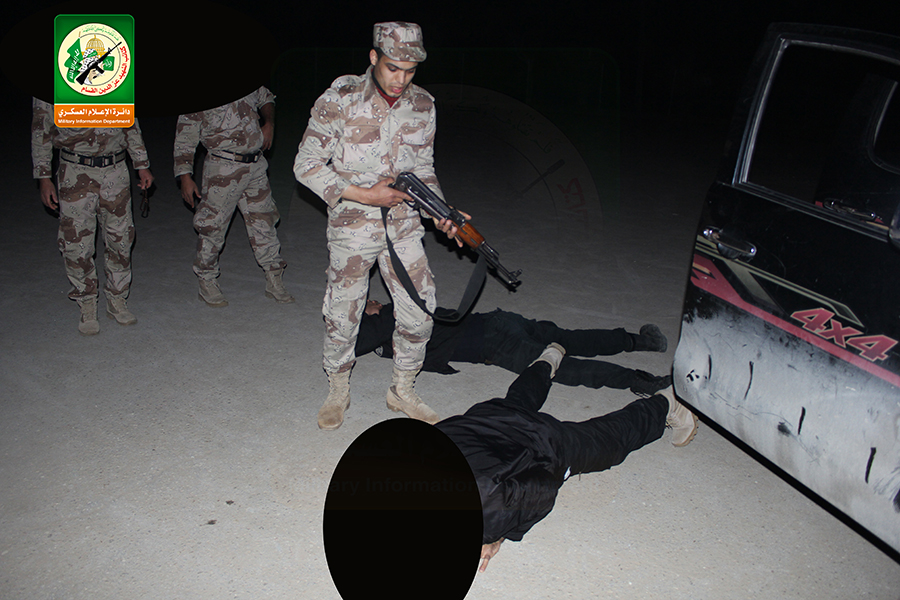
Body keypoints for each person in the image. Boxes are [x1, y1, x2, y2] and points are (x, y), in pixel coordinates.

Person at [294, 21, 463, 430]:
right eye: (392, 68)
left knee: (421, 311)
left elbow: (424, 169)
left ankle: (402, 389)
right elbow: (306, 166)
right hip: (353, 223)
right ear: (373, 58)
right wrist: (366, 195)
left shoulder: (422, 105)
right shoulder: (340, 99)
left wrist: (440, 212)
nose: (400, 80)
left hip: (403, 224)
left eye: (410, 71)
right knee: (343, 313)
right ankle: (338, 389)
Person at [434, 343, 699, 573]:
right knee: (517, 402)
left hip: (543, 439)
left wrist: (499, 535)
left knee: (609, 441)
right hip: (484, 418)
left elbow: (542, 489)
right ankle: (548, 359)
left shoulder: (486, 514)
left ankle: (669, 403)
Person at [356, 300, 672, 395]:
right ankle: (644, 341)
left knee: (562, 369)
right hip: (498, 322)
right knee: (569, 339)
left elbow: (352, 344)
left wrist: (367, 317)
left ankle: (639, 381)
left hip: (494, 341)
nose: (375, 300)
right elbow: (358, 339)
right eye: (369, 301)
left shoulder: (388, 317)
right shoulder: (387, 318)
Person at [31, 97, 154, 335]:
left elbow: (130, 119)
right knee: (76, 242)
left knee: (121, 238)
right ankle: (86, 301)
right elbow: (41, 128)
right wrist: (43, 177)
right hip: (75, 169)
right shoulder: (59, 80)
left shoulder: (114, 77)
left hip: (115, 169)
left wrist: (141, 163)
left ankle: (117, 298)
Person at [174, 86, 293, 307]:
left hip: (256, 165)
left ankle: (274, 277)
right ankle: (207, 279)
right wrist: (185, 176)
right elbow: (185, 137)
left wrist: (269, 123)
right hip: (222, 167)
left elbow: (266, 97)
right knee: (213, 226)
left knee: (265, 222)